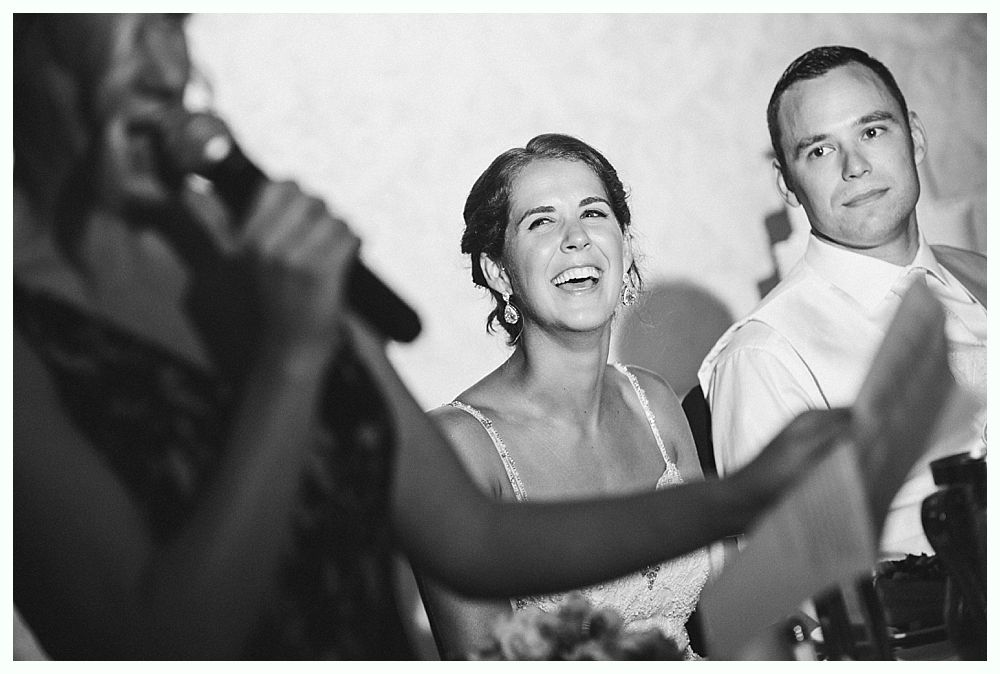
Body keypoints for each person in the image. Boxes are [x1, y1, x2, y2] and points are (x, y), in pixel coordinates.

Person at [13, 14, 854, 660]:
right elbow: (152, 648)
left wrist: (739, 499)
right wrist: (290, 358)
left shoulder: (230, 246)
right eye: (126, 23)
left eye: (175, 22)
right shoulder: (28, 339)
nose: (169, 67)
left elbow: (473, 539)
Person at [417, 134, 718, 660]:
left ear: (623, 245)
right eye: (541, 221)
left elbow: (729, 613)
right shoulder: (455, 448)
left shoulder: (656, 401)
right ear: (498, 270)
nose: (576, 238)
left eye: (593, 213)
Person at [698, 45, 986, 560]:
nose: (855, 166)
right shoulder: (765, 355)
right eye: (820, 151)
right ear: (788, 185)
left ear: (915, 139)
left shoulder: (982, 275)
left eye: (872, 131)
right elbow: (788, 589)